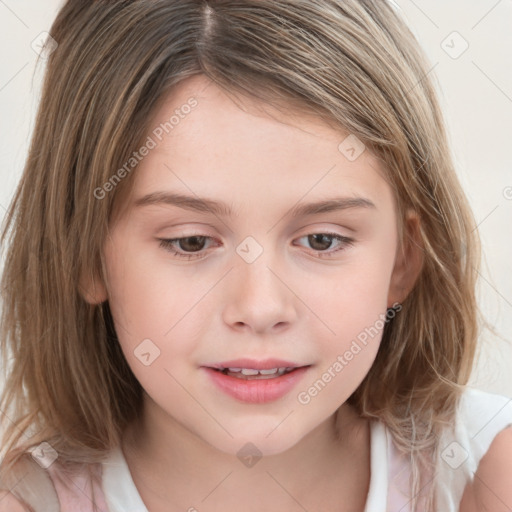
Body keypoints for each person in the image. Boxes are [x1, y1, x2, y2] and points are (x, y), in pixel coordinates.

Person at [0, 1, 511, 511]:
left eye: (322, 240)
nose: (261, 307)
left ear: (403, 259)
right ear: (88, 256)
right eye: (192, 242)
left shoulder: (485, 472)